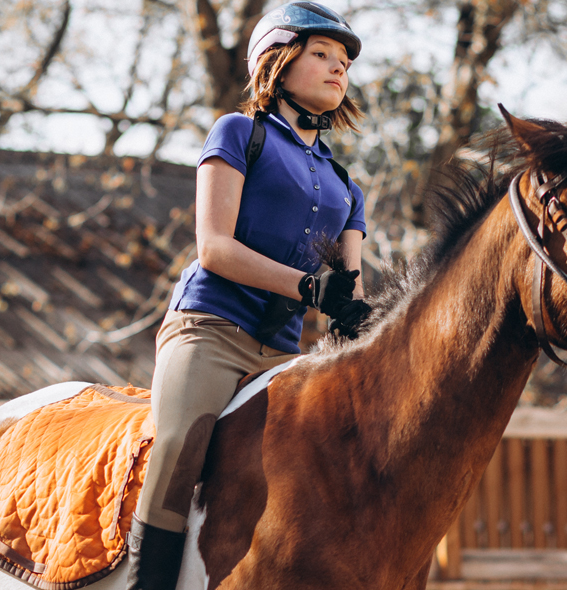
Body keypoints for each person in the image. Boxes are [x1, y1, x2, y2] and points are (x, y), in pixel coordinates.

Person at [123, 3, 371, 589]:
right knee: (180, 446)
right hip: (209, 329)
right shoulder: (239, 132)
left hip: (284, 355)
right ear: (277, 64)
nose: (339, 69)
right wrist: (309, 287)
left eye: (344, 62)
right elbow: (214, 248)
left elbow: (349, 289)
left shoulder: (347, 188)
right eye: (322, 55)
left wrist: (356, 317)